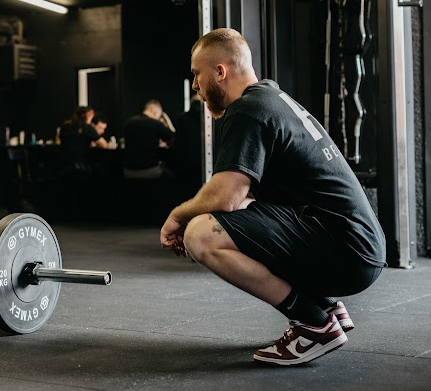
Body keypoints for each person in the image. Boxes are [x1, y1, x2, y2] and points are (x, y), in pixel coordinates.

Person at [160, 28, 385, 366]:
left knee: (201, 234)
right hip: (356, 245)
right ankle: (323, 305)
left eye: (196, 74)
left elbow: (225, 196)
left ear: (220, 72)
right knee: (242, 214)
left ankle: (313, 323)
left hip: (348, 250)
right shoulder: (271, 97)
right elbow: (244, 198)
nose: (195, 85)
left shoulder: (247, 110)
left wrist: (179, 216)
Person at [122, 100, 174, 179]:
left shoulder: (128, 123)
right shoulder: (156, 124)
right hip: (150, 170)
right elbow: (172, 138)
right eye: (159, 116)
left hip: (128, 171)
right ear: (155, 112)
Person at [59, 106, 114, 176]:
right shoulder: (87, 128)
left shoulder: (65, 126)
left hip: (63, 165)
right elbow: (103, 145)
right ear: (87, 115)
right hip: (81, 167)